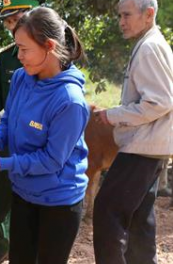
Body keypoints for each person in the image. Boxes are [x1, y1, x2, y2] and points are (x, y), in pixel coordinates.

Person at [0, 7, 89, 264]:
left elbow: (52, 161)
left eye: (24, 49)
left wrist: (1, 164)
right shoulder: (22, 78)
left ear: (49, 46)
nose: (18, 56)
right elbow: (9, 122)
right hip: (23, 192)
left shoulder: (70, 101)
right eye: (17, 47)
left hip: (58, 202)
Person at [92, 0, 173, 263]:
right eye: (119, 15)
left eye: (126, 15)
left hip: (142, 148)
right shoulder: (151, 44)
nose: (121, 21)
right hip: (151, 147)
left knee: (106, 211)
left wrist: (112, 115)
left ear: (148, 14)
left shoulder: (149, 48)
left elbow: (160, 102)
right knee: (139, 219)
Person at [0, 1, 40, 263]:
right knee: (2, 195)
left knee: (36, 197)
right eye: (7, 21)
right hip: (11, 140)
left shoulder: (49, 51)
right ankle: (5, 243)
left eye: (15, 19)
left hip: (40, 142)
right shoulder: (6, 57)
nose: (11, 26)